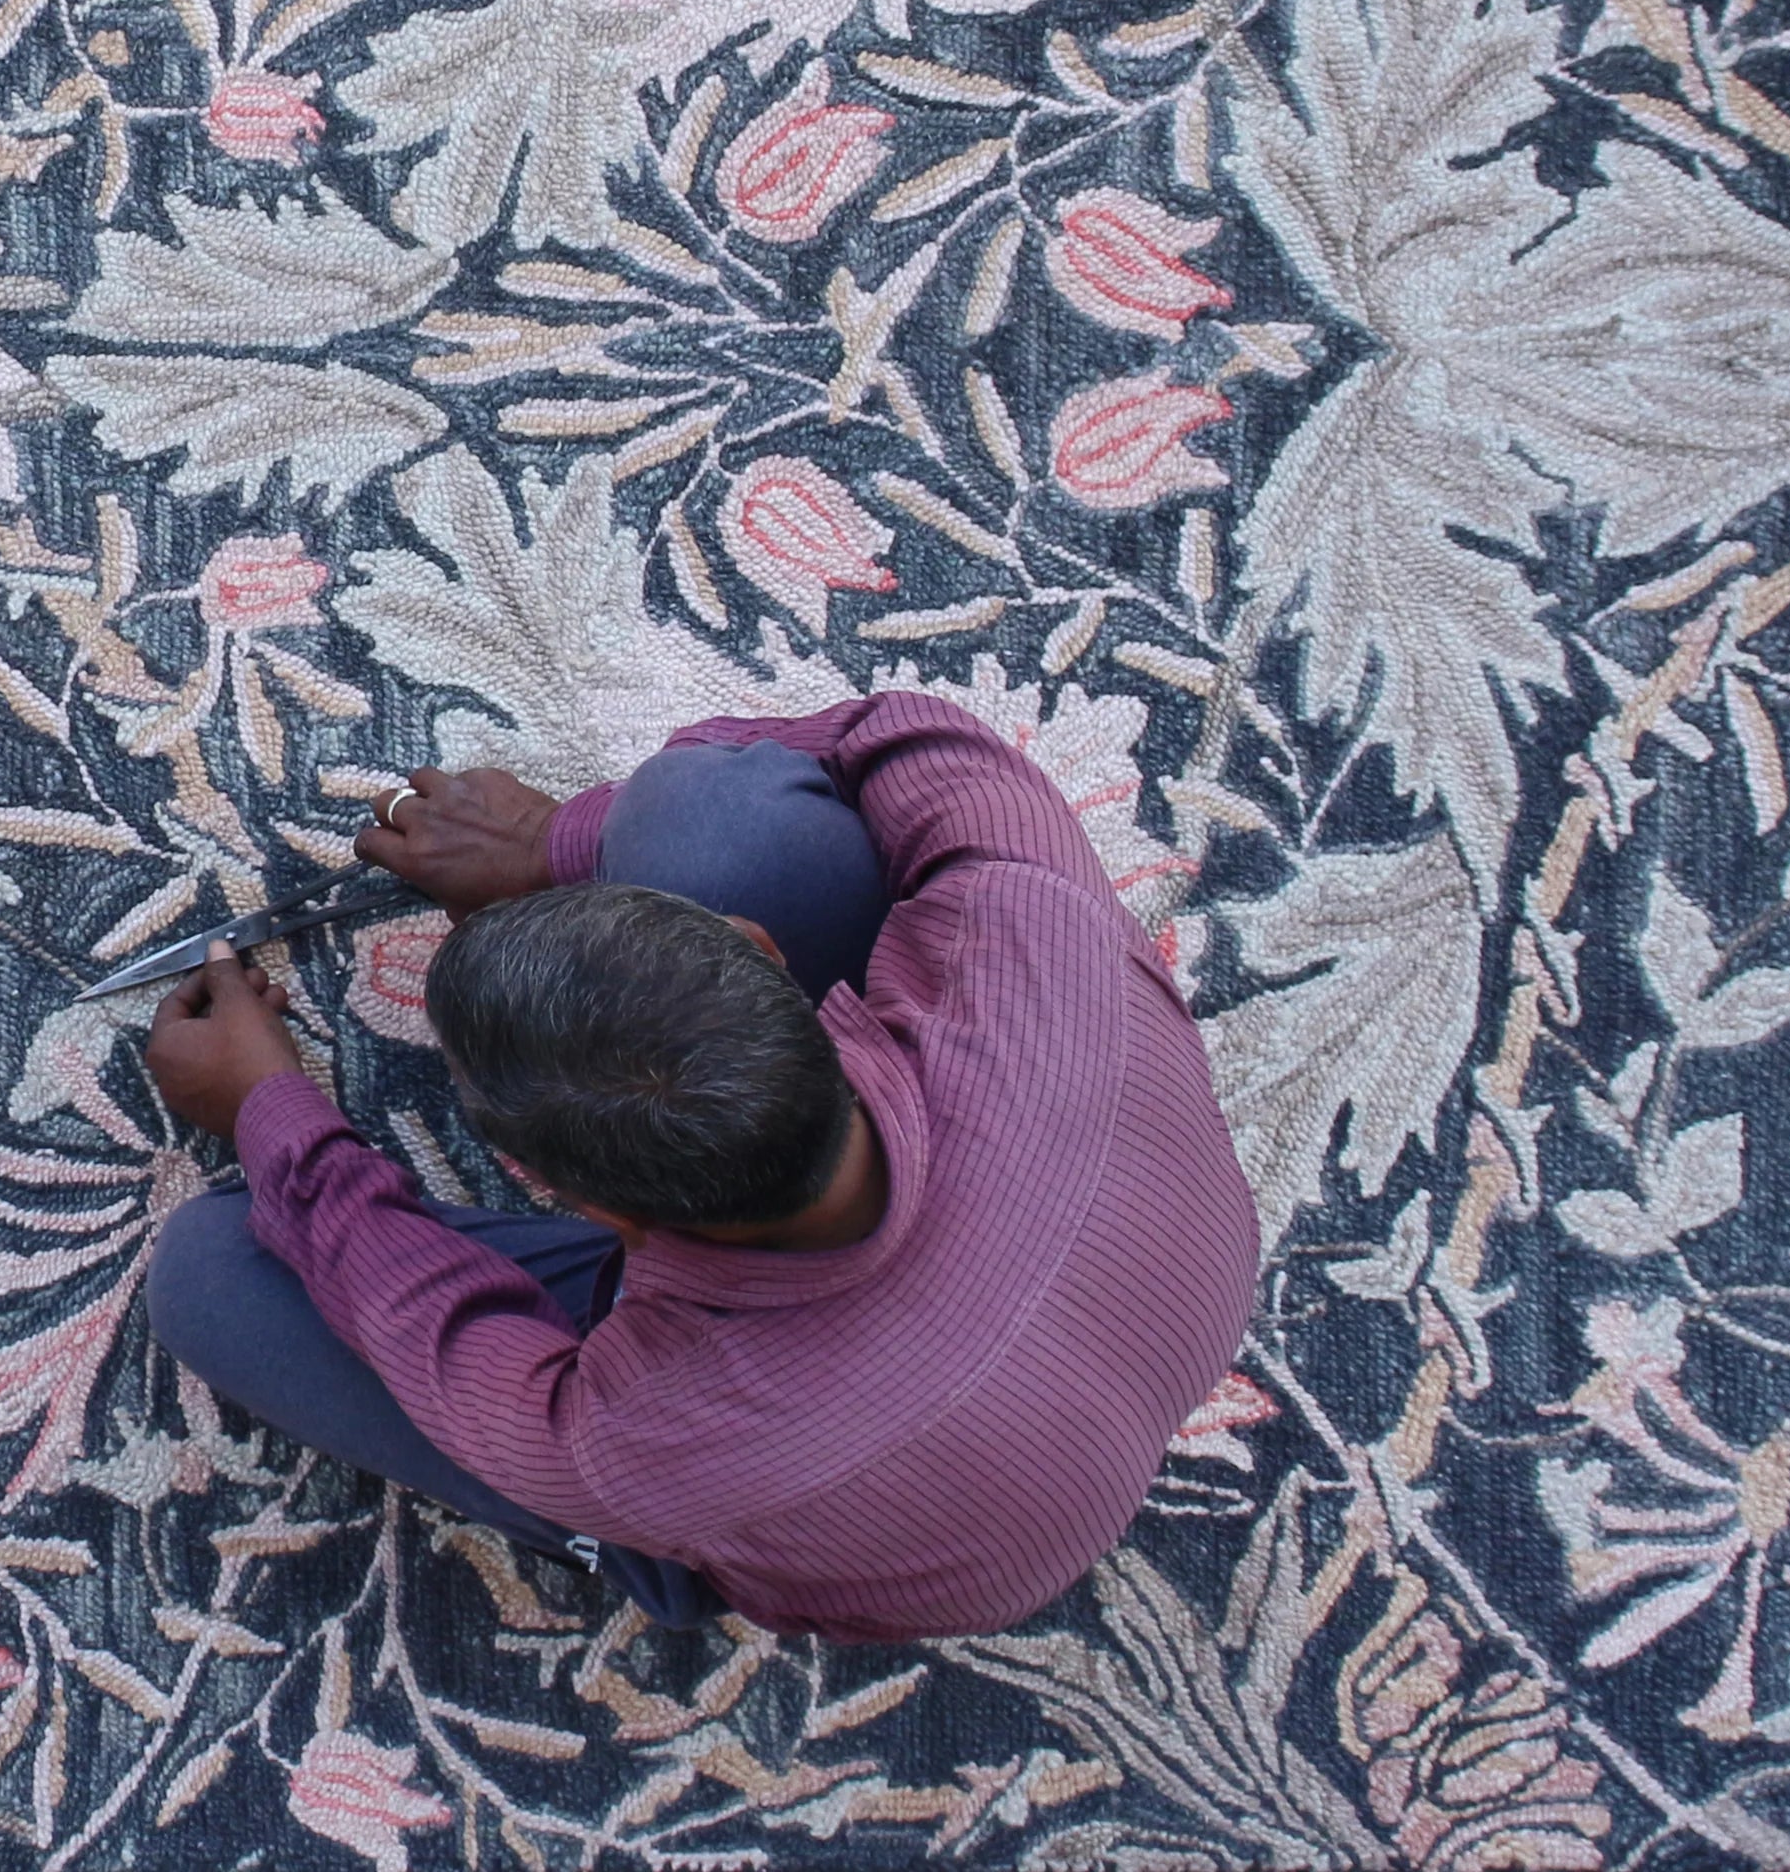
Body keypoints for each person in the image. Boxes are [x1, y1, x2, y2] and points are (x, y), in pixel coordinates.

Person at [137, 691, 1259, 1640]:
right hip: (1157, 1288)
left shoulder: (645, 1439)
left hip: (896, 1523)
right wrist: (559, 844)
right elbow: (909, 730)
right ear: (755, 949)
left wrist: (266, 1109)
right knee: (711, 815)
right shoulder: (1024, 922)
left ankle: (664, 1565)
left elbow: (412, 1310)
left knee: (213, 1272)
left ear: (564, 1196)